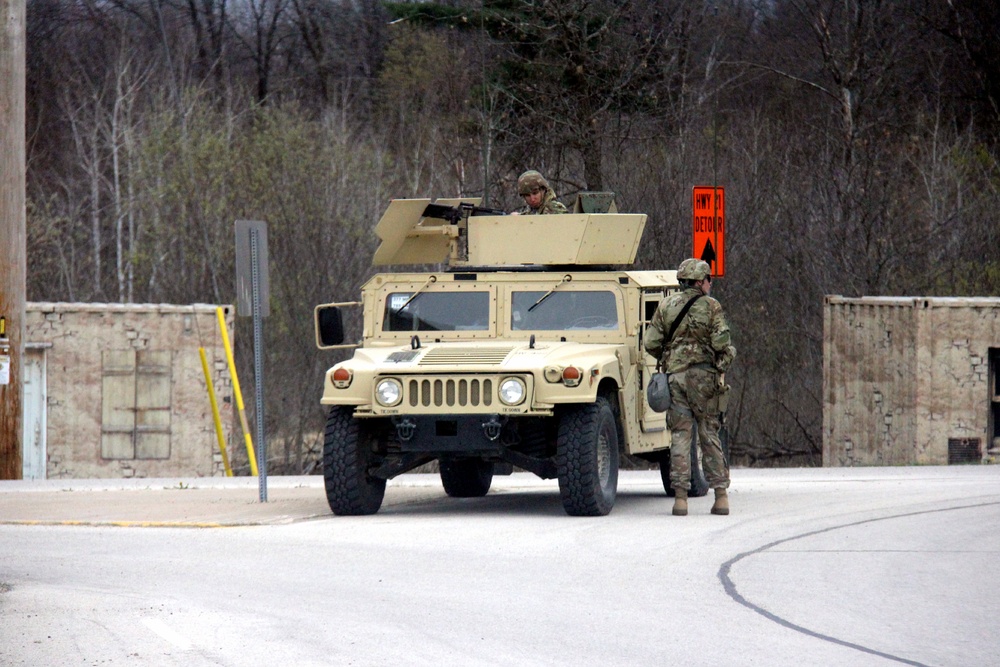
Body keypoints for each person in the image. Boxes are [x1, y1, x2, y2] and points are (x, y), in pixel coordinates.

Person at [644, 258, 736, 516]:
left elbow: (650, 343)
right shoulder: (711, 306)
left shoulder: (666, 305)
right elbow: (721, 341)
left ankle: (681, 500)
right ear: (699, 281)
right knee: (709, 434)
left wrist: (670, 354)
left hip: (676, 378)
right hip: (704, 379)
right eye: (708, 280)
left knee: (680, 437)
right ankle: (720, 497)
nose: (710, 284)